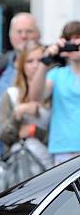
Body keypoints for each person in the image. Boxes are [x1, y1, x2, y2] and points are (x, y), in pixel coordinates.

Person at [0, 12, 40, 157]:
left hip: (28, 154)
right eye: (19, 32)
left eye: (29, 31)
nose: (23, 36)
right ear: (10, 36)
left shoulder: (47, 66)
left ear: (38, 35)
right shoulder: (0, 64)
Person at [29, 21, 80, 165]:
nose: (74, 43)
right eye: (69, 39)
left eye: (78, 37)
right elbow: (35, 97)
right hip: (63, 150)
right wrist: (46, 59)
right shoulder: (57, 75)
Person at [0, 42, 52, 168]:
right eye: (29, 61)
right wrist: (18, 114)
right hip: (19, 167)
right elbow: (4, 138)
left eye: (40, 60)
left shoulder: (54, 91)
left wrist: (34, 130)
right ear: (22, 65)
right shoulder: (11, 94)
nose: (35, 65)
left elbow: (60, 137)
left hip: (50, 166)